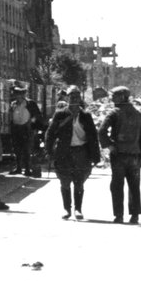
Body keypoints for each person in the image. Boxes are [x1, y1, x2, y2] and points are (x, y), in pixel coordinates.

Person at [44, 86, 100, 220]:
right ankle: (66, 209)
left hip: (81, 153)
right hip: (64, 153)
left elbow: (93, 136)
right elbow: (50, 133)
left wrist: (96, 156)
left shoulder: (86, 115)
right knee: (64, 181)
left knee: (79, 182)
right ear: (67, 98)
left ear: (80, 98)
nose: (74, 99)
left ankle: (78, 210)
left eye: (76, 96)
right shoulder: (60, 114)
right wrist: (48, 151)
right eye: (71, 96)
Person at [99, 86, 141, 224]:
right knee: (134, 187)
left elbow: (101, 131)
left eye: (113, 96)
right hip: (134, 156)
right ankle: (135, 216)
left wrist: (109, 145)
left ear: (121, 97)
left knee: (117, 186)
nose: (111, 98)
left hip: (119, 155)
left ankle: (119, 216)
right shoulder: (139, 115)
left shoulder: (114, 113)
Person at [8, 86, 43, 177]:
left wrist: (31, 122)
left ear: (23, 94)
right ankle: (18, 168)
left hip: (27, 129)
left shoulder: (30, 103)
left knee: (26, 149)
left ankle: (27, 169)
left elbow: (37, 115)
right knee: (17, 149)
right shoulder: (13, 104)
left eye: (20, 94)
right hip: (16, 129)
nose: (18, 96)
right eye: (16, 94)